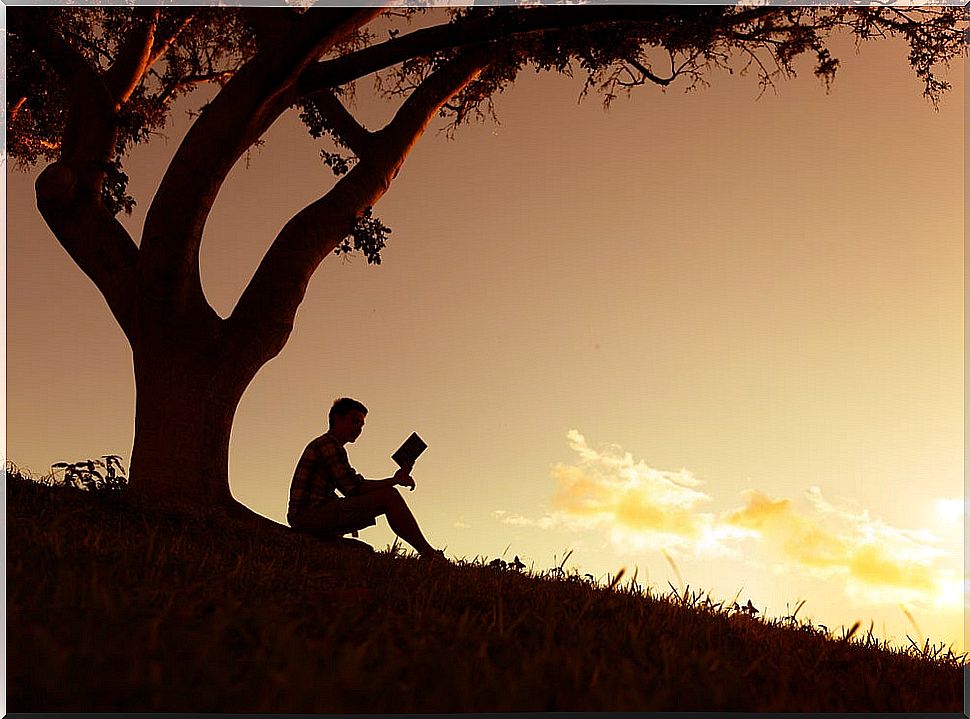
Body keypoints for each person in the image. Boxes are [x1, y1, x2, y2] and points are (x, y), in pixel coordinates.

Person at [288, 397, 443, 559]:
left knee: (364, 550)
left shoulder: (328, 445)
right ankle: (428, 553)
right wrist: (394, 480)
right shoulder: (328, 445)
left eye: (361, 425)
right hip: (308, 517)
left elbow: (348, 487)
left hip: (309, 516)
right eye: (354, 421)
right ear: (337, 419)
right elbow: (353, 488)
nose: (358, 429)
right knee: (390, 496)